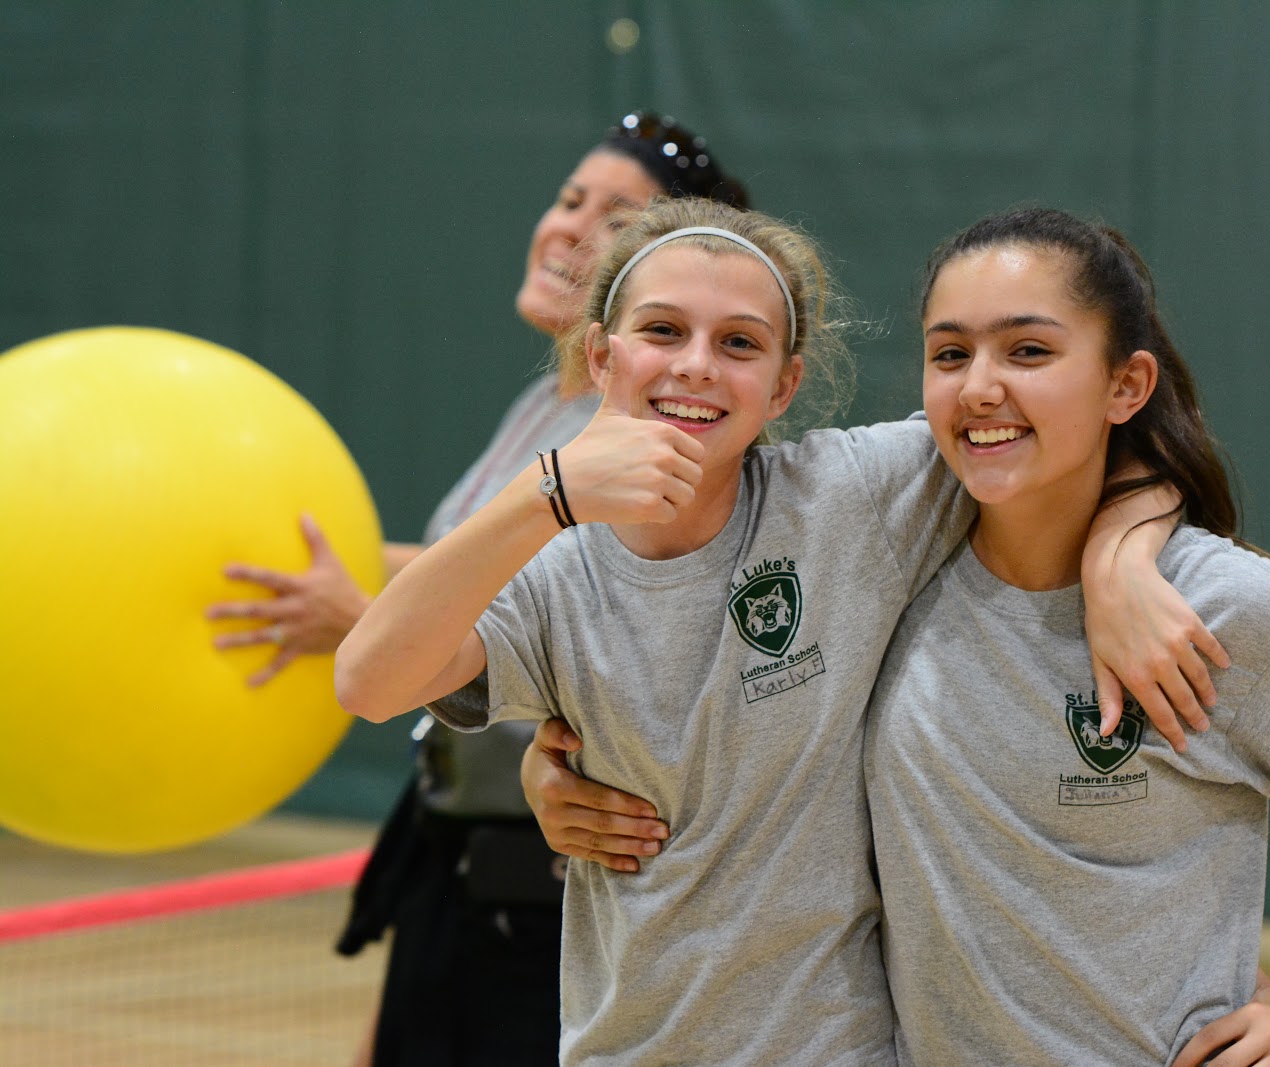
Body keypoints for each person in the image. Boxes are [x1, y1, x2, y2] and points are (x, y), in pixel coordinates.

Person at [526, 207, 1270, 1065]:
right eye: (950, 355)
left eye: (1028, 351)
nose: (980, 387)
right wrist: (560, 760)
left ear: (1125, 382)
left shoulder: (1213, 606)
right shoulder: (896, 569)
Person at [335, 196, 1222, 1065]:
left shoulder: (852, 497)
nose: (696, 367)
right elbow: (368, 683)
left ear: (784, 384)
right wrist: (543, 494)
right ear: (602, 360)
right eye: (661, 331)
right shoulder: (554, 569)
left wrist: (1122, 558)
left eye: (739, 344)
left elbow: (1085, 430)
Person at [205, 114, 748, 1066]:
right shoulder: (549, 403)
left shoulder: (647, 442)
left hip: (548, 890)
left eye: (614, 214)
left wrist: (365, 620)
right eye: (569, 199)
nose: (569, 227)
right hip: (456, 855)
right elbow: (472, 559)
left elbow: (556, 607)